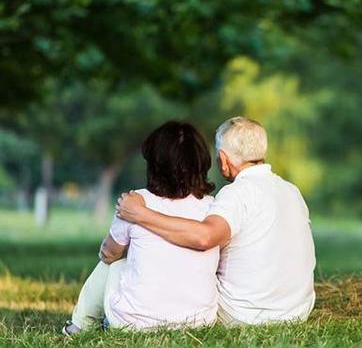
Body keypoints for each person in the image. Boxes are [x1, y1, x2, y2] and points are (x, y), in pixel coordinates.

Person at [117, 117, 316, 326]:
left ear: (223, 159)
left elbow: (205, 237)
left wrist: (140, 214)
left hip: (245, 315)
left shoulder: (236, 193)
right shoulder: (292, 191)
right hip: (297, 310)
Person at [63, 121, 219, 334]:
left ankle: (80, 326)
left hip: (136, 323)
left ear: (154, 163)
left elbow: (109, 254)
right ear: (201, 163)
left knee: (113, 263)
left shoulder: (136, 202)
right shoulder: (212, 208)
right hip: (199, 321)